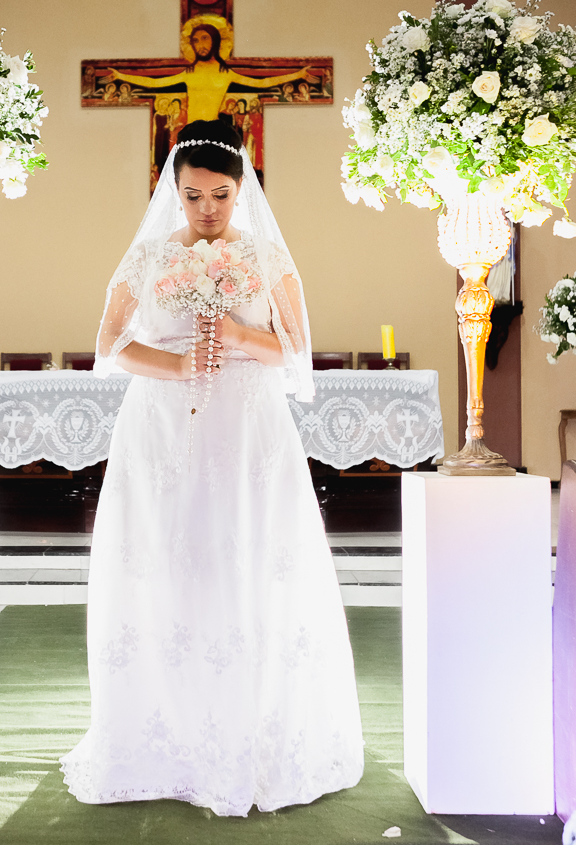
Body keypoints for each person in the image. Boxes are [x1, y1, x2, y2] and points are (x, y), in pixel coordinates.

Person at [60, 120, 364, 817]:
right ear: (175, 190)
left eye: (220, 195)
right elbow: (108, 346)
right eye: (193, 195)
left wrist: (236, 334)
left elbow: (296, 353)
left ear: (241, 189)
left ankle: (251, 727)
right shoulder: (148, 256)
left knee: (245, 560)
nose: (207, 210)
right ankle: (168, 728)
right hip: (162, 429)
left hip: (248, 426)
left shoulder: (265, 258)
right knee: (172, 562)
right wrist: (171, 362)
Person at [110, 24, 311, 123]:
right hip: (190, 132)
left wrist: (297, 75)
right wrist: (120, 77)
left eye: (205, 39)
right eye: (196, 41)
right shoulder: (189, 73)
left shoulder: (226, 73)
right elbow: (154, 84)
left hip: (214, 130)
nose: (200, 45)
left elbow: (262, 83)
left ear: (214, 40)